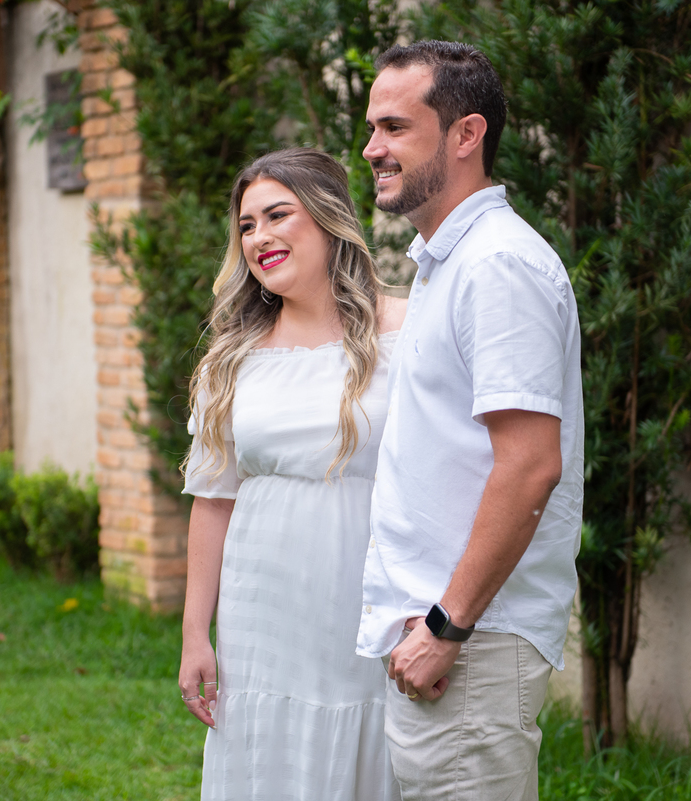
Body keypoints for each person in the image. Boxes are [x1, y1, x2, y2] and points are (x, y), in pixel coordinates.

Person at [355, 41, 583, 801]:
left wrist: (446, 626)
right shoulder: (449, 263)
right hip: (448, 636)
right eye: (372, 127)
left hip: (470, 643)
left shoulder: (497, 266)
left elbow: (530, 464)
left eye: (394, 127)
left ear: (466, 134)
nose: (372, 148)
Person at [178, 147, 405, 801]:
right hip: (263, 616)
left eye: (278, 215)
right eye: (247, 225)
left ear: (328, 217)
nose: (259, 238)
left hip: (369, 602)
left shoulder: (408, 329)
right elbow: (213, 500)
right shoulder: (232, 359)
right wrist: (195, 635)